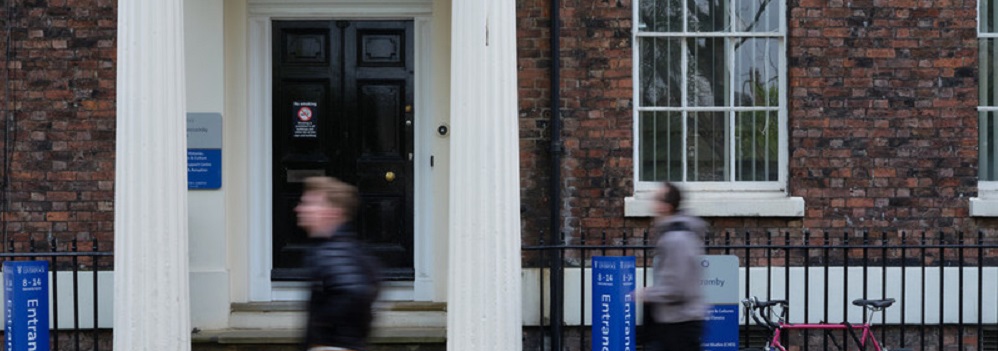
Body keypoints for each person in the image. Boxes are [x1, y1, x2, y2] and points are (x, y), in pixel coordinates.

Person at [296, 176, 381, 351]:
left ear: (332, 211)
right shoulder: (349, 248)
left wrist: (324, 334)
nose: (299, 208)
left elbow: (355, 291)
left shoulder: (332, 250)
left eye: (309, 203)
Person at [642, 181, 707, 351]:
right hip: (673, 322)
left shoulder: (677, 238)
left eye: (656, 200)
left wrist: (648, 293)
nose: (652, 205)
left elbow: (677, 288)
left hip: (679, 324)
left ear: (666, 206)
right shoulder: (673, 234)